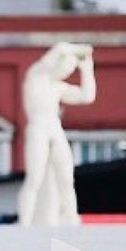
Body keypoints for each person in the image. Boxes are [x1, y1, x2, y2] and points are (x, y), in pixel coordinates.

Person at [17, 42, 96, 226]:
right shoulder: (36, 75)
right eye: (66, 67)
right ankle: (25, 222)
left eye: (70, 70)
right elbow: (60, 47)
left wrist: (87, 70)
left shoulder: (58, 87)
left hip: (54, 126)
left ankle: (71, 218)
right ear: (57, 63)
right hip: (38, 126)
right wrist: (80, 49)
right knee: (35, 177)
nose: (67, 72)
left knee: (66, 176)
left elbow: (87, 96)